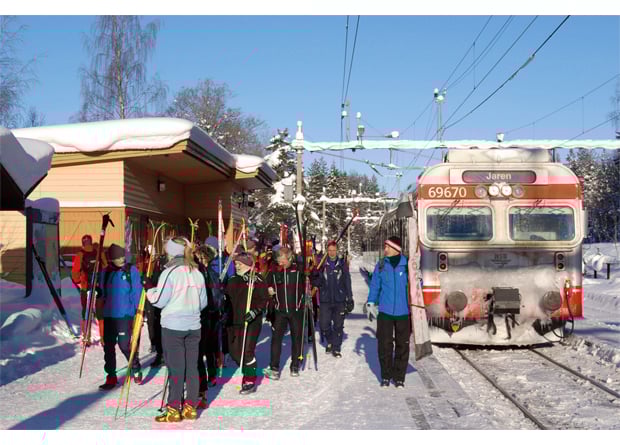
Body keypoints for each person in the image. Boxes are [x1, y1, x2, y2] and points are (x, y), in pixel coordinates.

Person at [145, 236, 208, 423]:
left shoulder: (170, 272)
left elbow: (159, 300)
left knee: (176, 368)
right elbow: (203, 302)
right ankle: (190, 407)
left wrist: (149, 289)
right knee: (192, 367)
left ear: (171, 252)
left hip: (173, 326)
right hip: (193, 326)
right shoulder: (196, 272)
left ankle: (173, 409)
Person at [365, 236, 410, 388]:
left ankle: (399, 377)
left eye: (387, 247)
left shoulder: (408, 265)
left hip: (403, 312)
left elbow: (417, 286)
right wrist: (371, 302)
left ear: (395, 249)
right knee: (384, 345)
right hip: (385, 312)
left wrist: (419, 277)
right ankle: (385, 375)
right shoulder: (381, 265)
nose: (385, 249)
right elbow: (375, 285)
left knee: (402, 345)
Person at [97, 244, 143, 391]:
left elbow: (137, 292)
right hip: (109, 315)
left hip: (125, 315)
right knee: (108, 347)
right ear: (112, 259)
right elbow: (102, 293)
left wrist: (138, 311)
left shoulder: (131, 271)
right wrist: (99, 295)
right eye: (118, 257)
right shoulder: (105, 273)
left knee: (124, 345)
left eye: (123, 256)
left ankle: (135, 366)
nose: (122, 259)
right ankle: (111, 376)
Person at [224, 252, 269, 394]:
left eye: (240, 264)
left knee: (247, 351)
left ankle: (250, 378)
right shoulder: (232, 280)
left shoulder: (257, 279)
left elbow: (264, 299)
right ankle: (246, 367)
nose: (237, 266)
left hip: (251, 322)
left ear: (248, 265)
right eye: (236, 263)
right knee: (235, 352)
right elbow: (227, 298)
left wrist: (255, 312)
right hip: (234, 320)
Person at [264, 247, 306, 379]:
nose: (280, 263)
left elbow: (313, 277)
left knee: (297, 338)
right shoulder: (274, 271)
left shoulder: (298, 270)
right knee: (276, 339)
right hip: (280, 311)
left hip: (296, 310)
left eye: (283, 261)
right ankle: (274, 368)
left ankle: (295, 365)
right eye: (279, 261)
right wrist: (269, 289)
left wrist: (308, 290)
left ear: (290, 259)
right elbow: (266, 284)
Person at [311, 240, 353, 358]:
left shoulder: (342, 265)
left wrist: (350, 299)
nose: (332, 252)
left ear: (337, 250)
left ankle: (336, 347)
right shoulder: (322, 265)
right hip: (325, 300)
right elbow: (317, 282)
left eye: (334, 250)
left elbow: (347, 282)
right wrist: (314, 275)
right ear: (327, 251)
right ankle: (330, 341)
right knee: (324, 325)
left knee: (338, 326)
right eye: (330, 250)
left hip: (340, 300)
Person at [195, 244, 223, 408]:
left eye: (201, 257)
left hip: (209, 314)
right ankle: (207, 376)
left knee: (208, 347)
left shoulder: (210, 273)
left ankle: (211, 375)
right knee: (204, 347)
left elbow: (216, 294)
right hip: (202, 314)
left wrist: (215, 309)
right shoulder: (198, 272)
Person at [71, 234, 107, 343]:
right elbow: (105, 266)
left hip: (86, 286)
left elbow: (75, 273)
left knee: (86, 312)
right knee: (100, 313)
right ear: (91, 242)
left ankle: (86, 336)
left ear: (82, 243)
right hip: (98, 285)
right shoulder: (99, 252)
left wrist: (79, 281)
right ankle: (103, 338)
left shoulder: (80, 254)